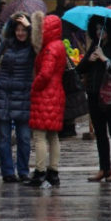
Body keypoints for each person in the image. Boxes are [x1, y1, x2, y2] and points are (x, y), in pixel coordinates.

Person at [76, 15, 111, 183]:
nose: (100, 32)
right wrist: (89, 59)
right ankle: (104, 168)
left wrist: (105, 59)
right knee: (100, 133)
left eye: (103, 29)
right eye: (98, 29)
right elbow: (80, 69)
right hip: (94, 94)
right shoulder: (94, 46)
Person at [0, 12, 35, 183]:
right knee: (4, 138)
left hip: (23, 96)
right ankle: (8, 172)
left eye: (24, 29)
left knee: (24, 138)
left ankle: (23, 171)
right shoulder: (5, 44)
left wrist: (31, 27)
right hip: (3, 96)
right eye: (18, 29)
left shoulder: (32, 47)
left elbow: (41, 44)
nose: (20, 33)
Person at [26, 13, 66, 187]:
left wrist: (34, 86)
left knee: (39, 135)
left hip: (45, 94)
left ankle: (40, 171)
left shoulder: (49, 48)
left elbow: (45, 73)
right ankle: (53, 170)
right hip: (56, 93)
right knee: (53, 135)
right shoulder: (59, 45)